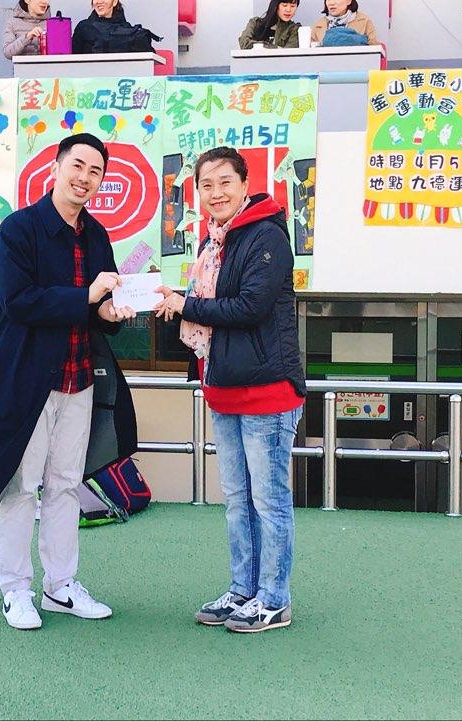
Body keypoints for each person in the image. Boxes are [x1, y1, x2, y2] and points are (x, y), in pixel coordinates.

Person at [0, 133, 138, 632]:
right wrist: (86, 296)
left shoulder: (96, 234)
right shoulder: (18, 230)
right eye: (77, 166)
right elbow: (18, 300)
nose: (85, 178)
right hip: (27, 381)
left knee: (67, 485)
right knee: (21, 487)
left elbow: (98, 308)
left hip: (80, 379)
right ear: (55, 167)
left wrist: (110, 312)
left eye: (95, 171)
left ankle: (61, 586)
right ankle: (15, 588)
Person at [153, 146, 306, 634]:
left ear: (245, 185)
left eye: (224, 182)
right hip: (224, 388)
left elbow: (249, 307)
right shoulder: (213, 241)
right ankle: (243, 590)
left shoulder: (267, 235)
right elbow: (208, 303)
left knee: (269, 502)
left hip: (268, 392)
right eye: (206, 185)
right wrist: (178, 303)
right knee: (238, 500)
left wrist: (186, 306)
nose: (215, 193)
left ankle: (274, 599)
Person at [71, 0, 159, 54]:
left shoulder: (126, 28)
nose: (99, 1)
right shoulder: (84, 26)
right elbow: (72, 58)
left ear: (114, 2)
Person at [309, 0, 379, 45]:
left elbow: (374, 49)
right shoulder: (319, 25)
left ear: (349, 1)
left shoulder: (364, 21)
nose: (331, 3)